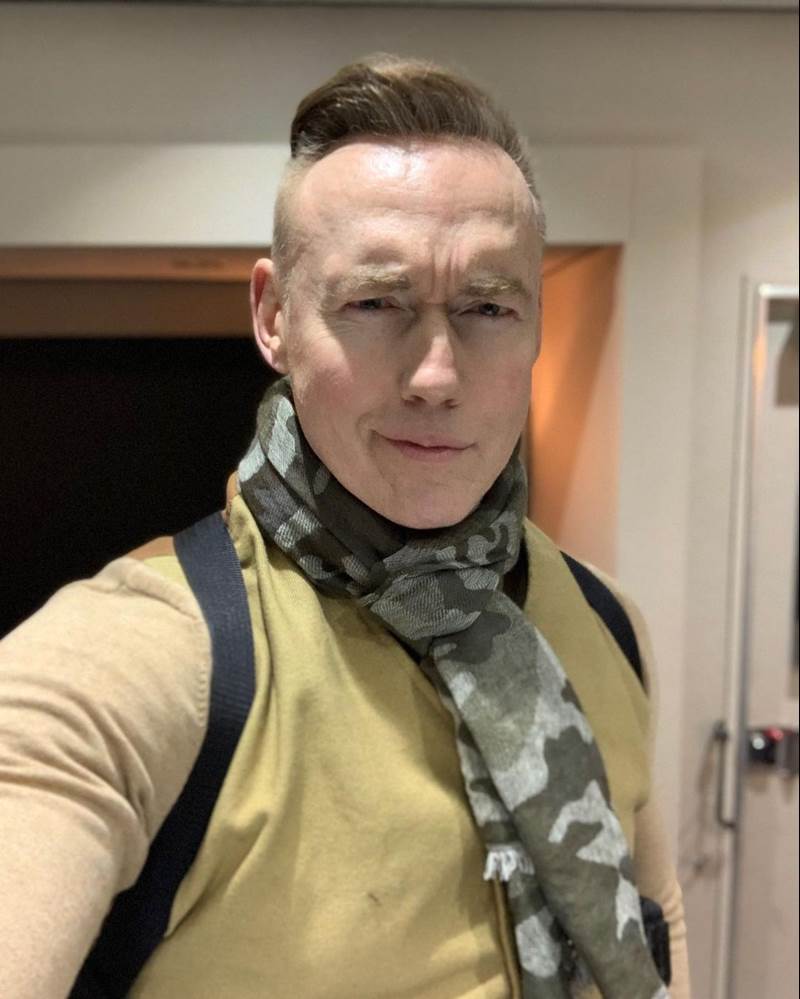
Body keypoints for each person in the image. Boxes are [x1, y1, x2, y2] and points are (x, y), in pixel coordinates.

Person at [0, 56, 689, 998]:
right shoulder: (134, 660)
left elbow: (655, 922)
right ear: (273, 317)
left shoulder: (605, 621)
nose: (436, 375)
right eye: (374, 303)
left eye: (488, 307)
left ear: (535, 325)